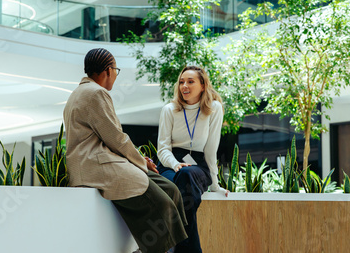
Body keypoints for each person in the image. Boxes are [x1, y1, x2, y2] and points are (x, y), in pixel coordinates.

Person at [63, 48, 188, 253]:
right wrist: (141, 161)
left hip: (98, 164)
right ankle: (156, 249)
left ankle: (162, 248)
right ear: (108, 71)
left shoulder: (77, 93)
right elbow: (117, 139)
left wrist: (139, 159)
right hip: (98, 166)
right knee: (163, 204)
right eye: (116, 71)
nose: (115, 76)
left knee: (171, 190)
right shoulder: (96, 93)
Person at [157, 65, 227, 253]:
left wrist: (214, 183)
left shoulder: (214, 108)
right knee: (182, 177)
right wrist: (175, 164)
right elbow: (162, 149)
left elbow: (211, 149)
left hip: (197, 166)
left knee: (186, 175)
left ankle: (173, 245)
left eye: (190, 81)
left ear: (203, 85)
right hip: (170, 164)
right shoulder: (169, 110)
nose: (184, 86)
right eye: (181, 82)